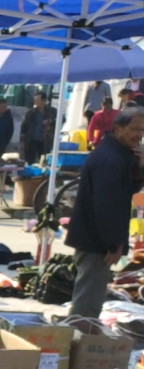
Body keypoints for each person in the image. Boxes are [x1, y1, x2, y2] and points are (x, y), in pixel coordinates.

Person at [65, 106, 144, 320]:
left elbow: (128, 190)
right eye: (135, 129)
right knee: (87, 302)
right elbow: (107, 206)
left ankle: (80, 339)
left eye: (142, 130)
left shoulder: (119, 155)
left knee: (92, 297)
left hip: (96, 239)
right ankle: (77, 343)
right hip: (95, 241)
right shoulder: (110, 159)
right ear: (118, 128)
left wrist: (139, 167)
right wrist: (112, 243)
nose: (139, 135)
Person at [23, 92, 53, 164]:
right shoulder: (30, 113)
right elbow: (24, 127)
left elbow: (62, 119)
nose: (35, 102)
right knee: (29, 161)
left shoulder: (51, 111)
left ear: (43, 101)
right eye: (34, 100)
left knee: (44, 162)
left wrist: (51, 121)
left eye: (37, 100)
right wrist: (22, 141)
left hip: (45, 142)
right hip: (31, 141)